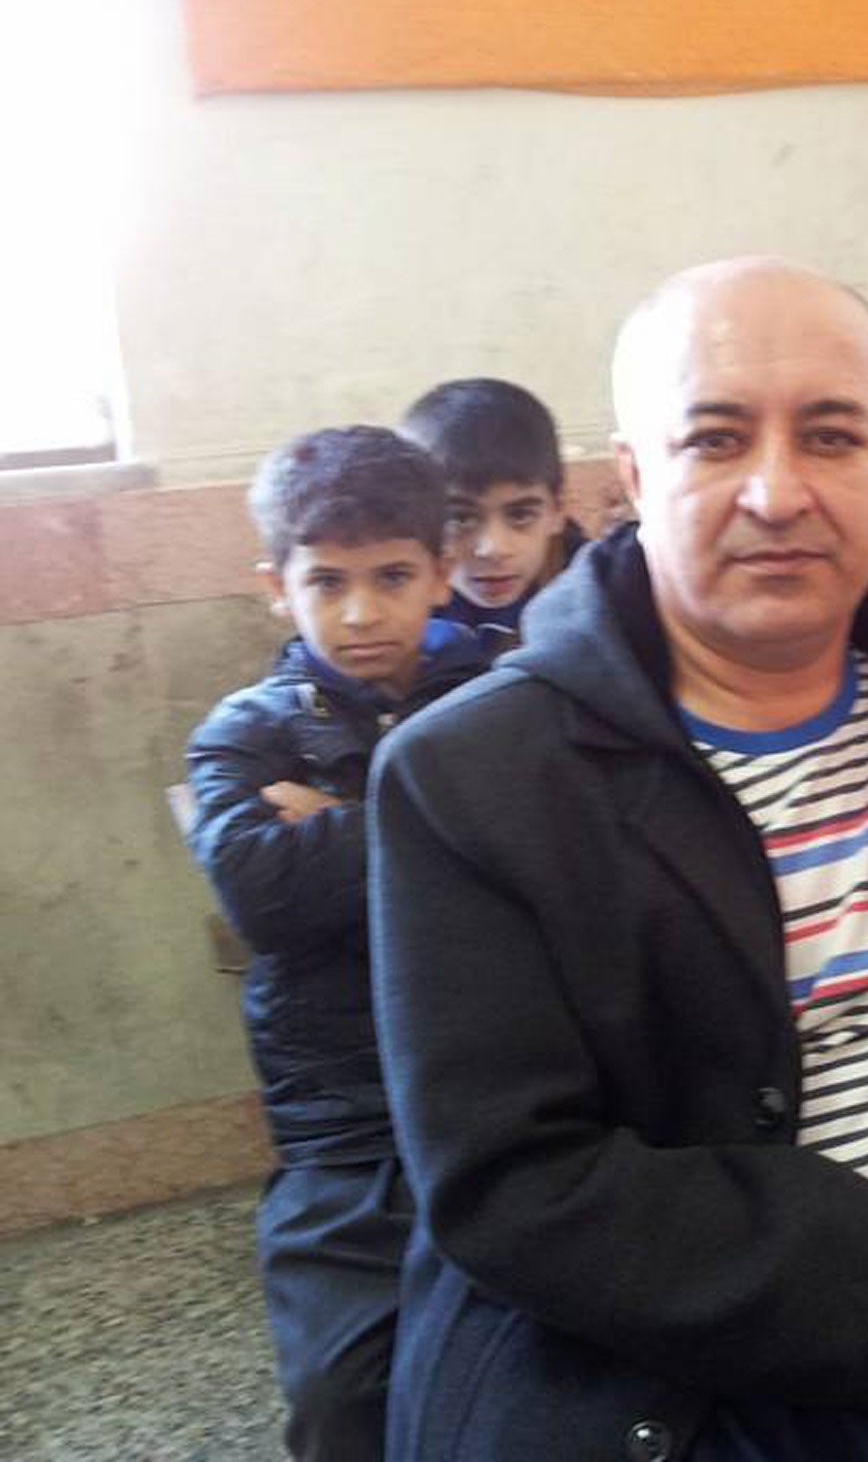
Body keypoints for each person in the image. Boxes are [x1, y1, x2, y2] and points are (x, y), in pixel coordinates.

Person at [369, 258, 868, 1461]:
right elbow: (514, 1184)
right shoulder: (472, 779)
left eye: (831, 436)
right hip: (686, 1384)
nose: (778, 491)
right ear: (634, 477)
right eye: (715, 439)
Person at [184, 426, 488, 1459]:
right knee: (342, 1395)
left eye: (393, 576)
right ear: (276, 585)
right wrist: (449, 817)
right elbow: (267, 896)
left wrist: (342, 817)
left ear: (442, 575)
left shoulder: (506, 697)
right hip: (344, 1119)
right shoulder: (241, 734)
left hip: (504, 1083)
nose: (361, 614)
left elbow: (556, 856)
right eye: (327, 581)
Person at [399, 376, 587, 654]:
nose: (493, 549)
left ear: (558, 509)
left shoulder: (596, 593)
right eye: (459, 519)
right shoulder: (392, 596)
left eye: (521, 515)